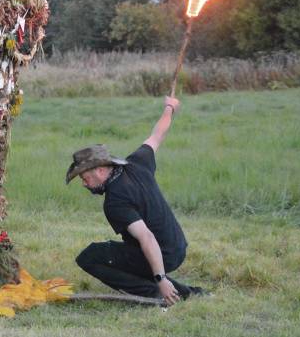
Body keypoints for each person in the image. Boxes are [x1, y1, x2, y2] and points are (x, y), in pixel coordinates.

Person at [68, 95, 201, 306]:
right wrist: (170, 107)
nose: (84, 184)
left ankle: (155, 293)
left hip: (163, 252)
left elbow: (147, 238)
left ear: (101, 170)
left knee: (89, 257)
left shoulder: (115, 201)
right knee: (125, 255)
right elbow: (157, 135)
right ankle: (187, 292)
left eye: (85, 178)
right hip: (177, 247)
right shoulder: (137, 162)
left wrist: (161, 279)